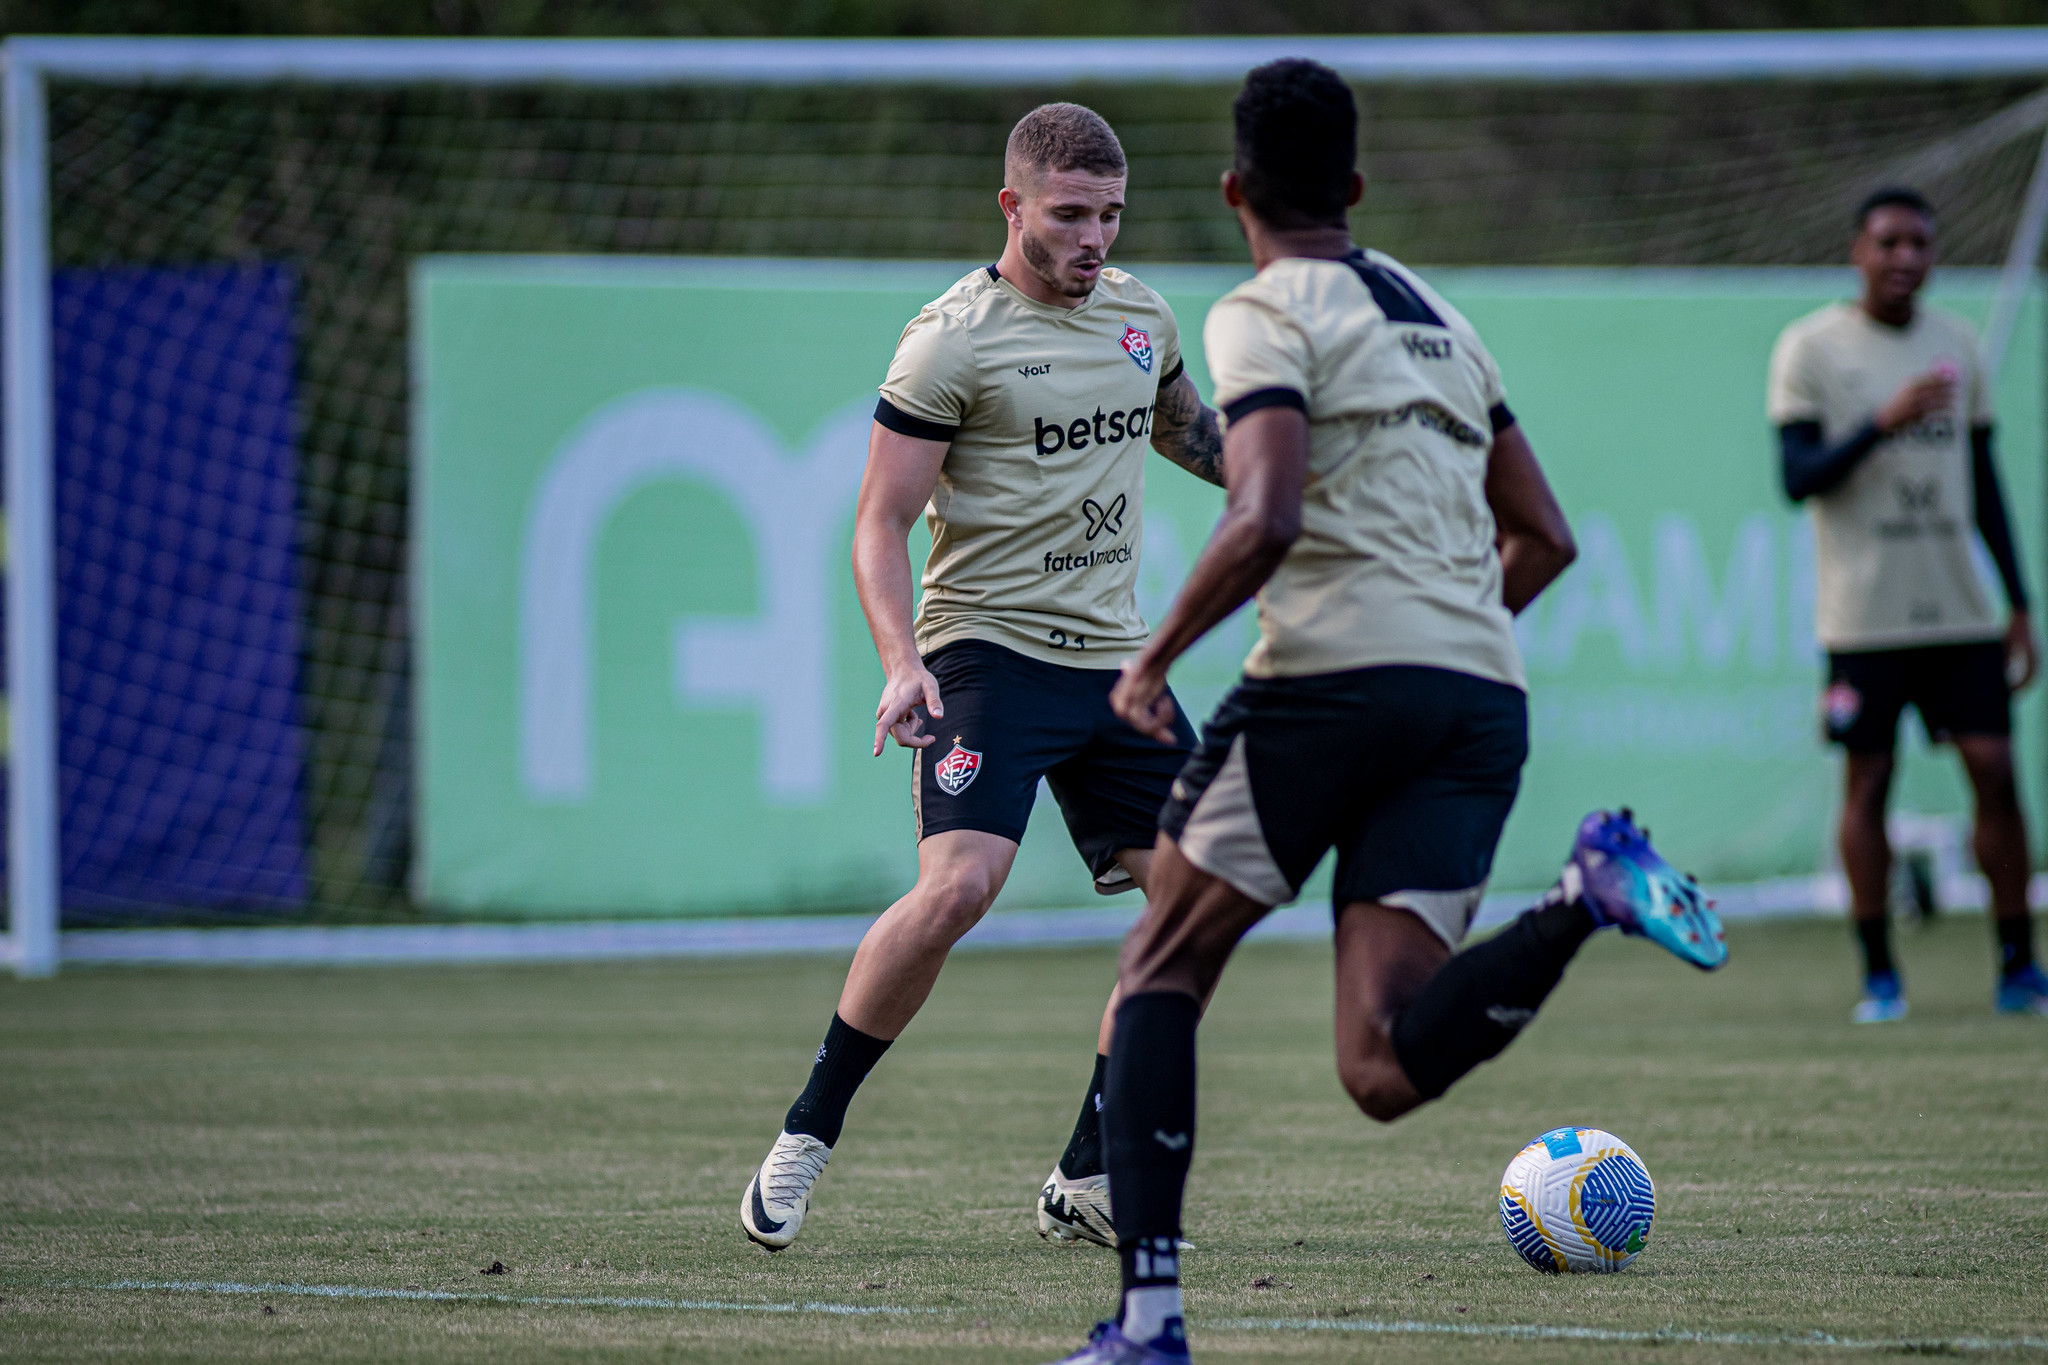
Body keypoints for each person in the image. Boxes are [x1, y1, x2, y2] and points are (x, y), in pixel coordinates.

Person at [1042, 60, 1728, 1364]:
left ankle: (1149, 1322)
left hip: (1327, 684)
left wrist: (1153, 661)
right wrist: (1439, 643)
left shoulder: (1258, 311)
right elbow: (1547, 535)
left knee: (1156, 977)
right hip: (1476, 701)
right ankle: (1586, 896)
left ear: (1235, 189)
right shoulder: (1441, 317)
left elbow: (1267, 513)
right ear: (1355, 187)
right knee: (1379, 1066)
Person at [741, 103, 1229, 1252]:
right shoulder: (948, 341)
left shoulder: (1141, 319)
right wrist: (897, 661)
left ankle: (1088, 1177)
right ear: (1011, 207)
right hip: (985, 655)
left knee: (1198, 904)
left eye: (1109, 214)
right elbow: (878, 524)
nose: (1093, 237)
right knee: (958, 890)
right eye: (1068, 214)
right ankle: (808, 1132)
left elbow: (1186, 432)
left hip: (1113, 664)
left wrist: (1297, 474)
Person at [1769, 186, 2048, 1024]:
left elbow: (1985, 484)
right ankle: (1881, 974)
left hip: (1959, 612)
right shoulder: (1811, 348)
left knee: (1996, 775)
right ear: (1858, 251)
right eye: (1888, 242)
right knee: (1869, 783)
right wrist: (1881, 424)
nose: (1905, 258)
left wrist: (2020, 601)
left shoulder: (1956, 343)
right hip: (1863, 617)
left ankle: (2017, 967)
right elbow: (1797, 480)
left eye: (1920, 243)